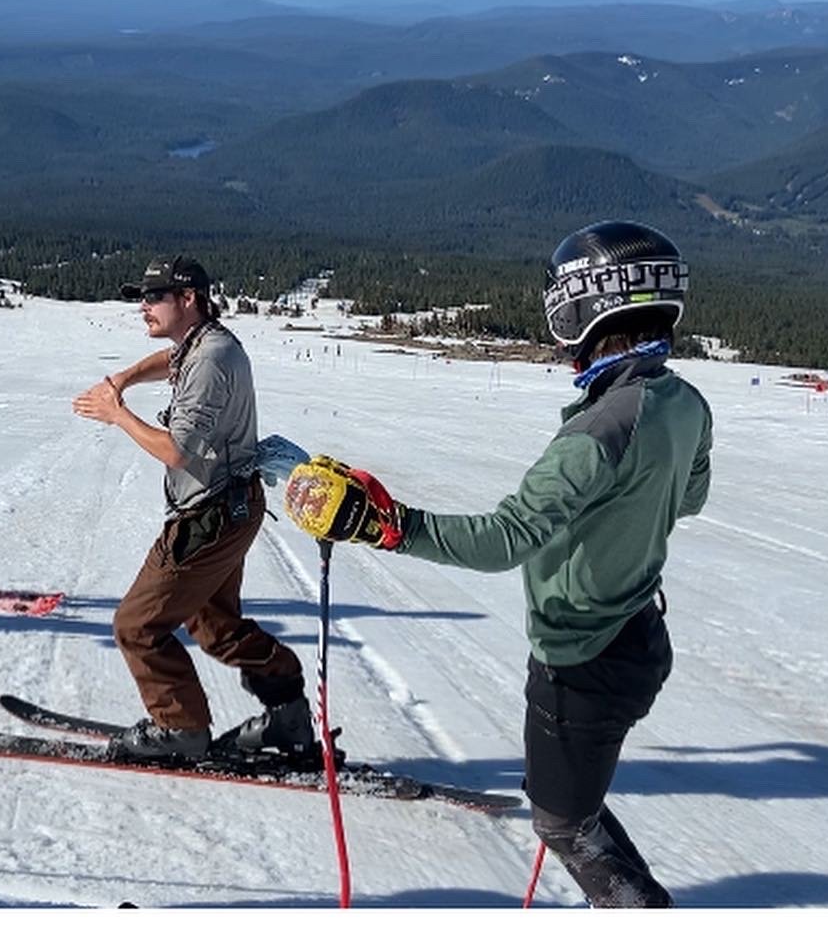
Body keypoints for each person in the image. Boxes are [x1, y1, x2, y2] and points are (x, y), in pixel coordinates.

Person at [285, 220, 711, 908]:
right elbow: (689, 496)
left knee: (563, 821)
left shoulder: (595, 433)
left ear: (584, 309)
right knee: (569, 803)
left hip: (582, 658)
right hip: (638, 634)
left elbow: (506, 539)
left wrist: (387, 527)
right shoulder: (683, 400)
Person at [72, 256, 315, 761]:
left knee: (136, 627)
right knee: (214, 626)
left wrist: (117, 414)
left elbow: (177, 451)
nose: (144, 306)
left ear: (188, 299)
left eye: (154, 297)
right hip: (231, 510)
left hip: (207, 519)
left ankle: (181, 731)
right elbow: (174, 360)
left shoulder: (209, 359)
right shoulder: (204, 343)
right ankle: (288, 716)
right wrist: (127, 375)